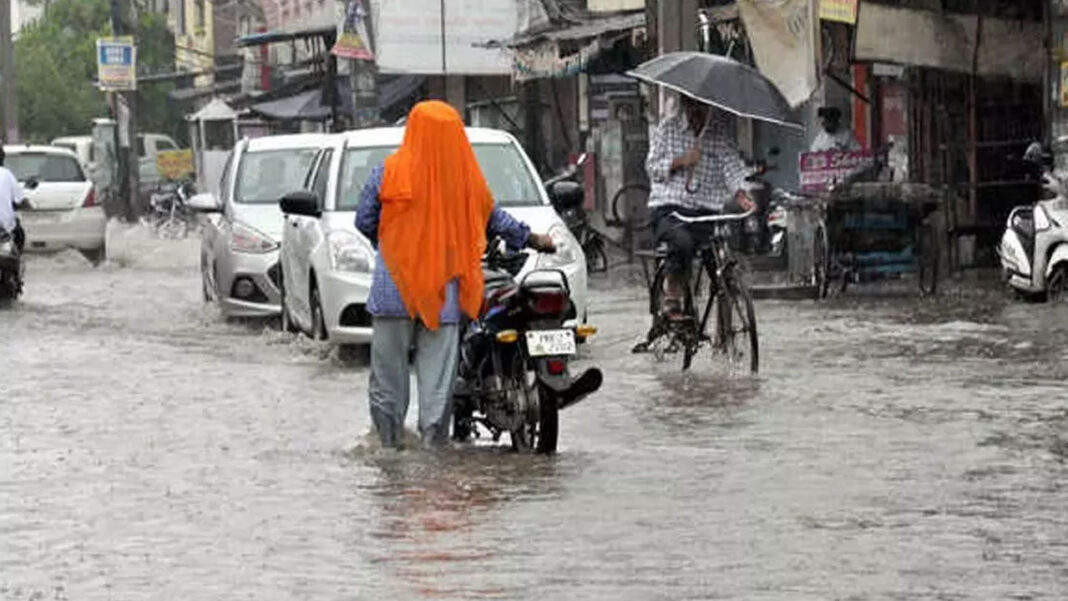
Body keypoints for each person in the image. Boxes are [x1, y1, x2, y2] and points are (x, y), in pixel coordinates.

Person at [355, 100, 555, 450]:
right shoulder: (466, 181)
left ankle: (389, 450)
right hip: (443, 294)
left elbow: (364, 220)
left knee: (388, 379)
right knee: (437, 384)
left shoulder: (387, 172)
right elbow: (497, 220)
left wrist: (393, 246)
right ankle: (433, 451)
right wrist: (534, 239)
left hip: (394, 288)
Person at [644, 94, 756, 318]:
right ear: (685, 105)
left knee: (720, 260)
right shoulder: (667, 129)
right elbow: (652, 168)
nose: (697, 111)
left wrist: (741, 194)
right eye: (692, 105)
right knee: (681, 243)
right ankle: (672, 294)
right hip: (671, 209)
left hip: (706, 212)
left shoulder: (719, 134)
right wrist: (682, 161)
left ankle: (725, 321)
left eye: (702, 105)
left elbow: (732, 167)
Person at [0, 146, 29, 253]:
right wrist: (29, 207)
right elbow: (21, 201)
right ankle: (17, 258)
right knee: (19, 234)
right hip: (5, 228)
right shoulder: (6, 174)